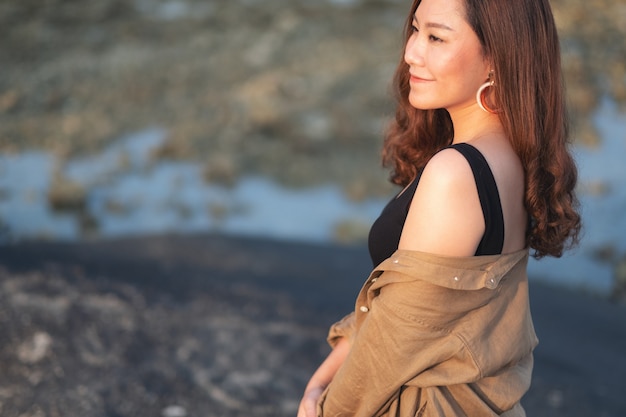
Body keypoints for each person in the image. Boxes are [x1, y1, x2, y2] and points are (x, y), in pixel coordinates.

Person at [297, 0, 581, 415]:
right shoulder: (512, 157)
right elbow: (395, 313)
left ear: (496, 60)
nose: (412, 51)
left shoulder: (456, 174)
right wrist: (319, 381)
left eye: (436, 37)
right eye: (415, 30)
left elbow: (392, 344)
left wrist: (324, 408)